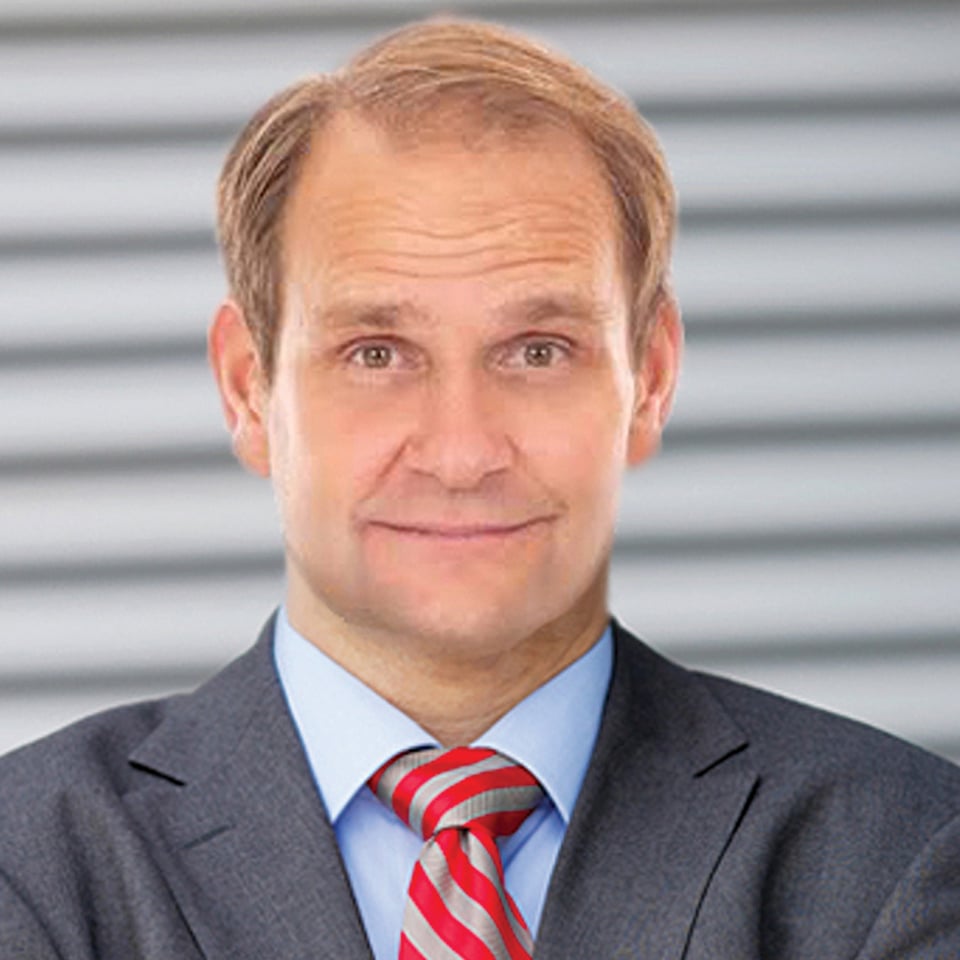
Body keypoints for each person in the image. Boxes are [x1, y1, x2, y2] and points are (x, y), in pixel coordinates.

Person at [2, 17, 959, 960]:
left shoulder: (898, 856)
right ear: (248, 390)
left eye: (538, 351)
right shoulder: (30, 871)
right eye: (376, 353)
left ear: (652, 378)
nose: (460, 454)